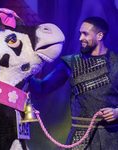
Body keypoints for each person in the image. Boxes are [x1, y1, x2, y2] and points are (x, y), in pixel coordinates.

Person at [29, 16, 118, 149]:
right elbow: (42, 88)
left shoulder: (116, 63)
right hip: (79, 139)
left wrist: (117, 112)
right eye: (80, 33)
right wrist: (23, 74)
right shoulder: (71, 63)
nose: (80, 38)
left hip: (112, 138)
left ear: (99, 35)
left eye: (85, 34)